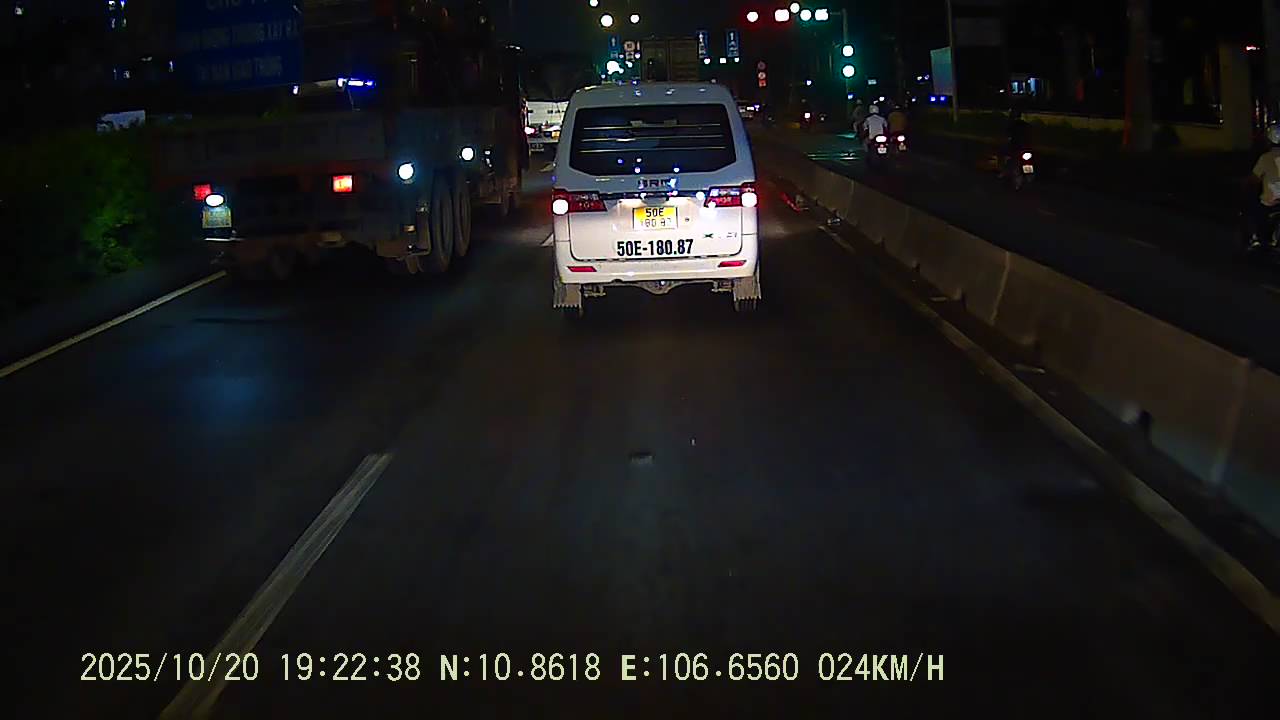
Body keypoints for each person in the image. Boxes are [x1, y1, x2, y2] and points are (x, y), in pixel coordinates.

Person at [1244, 123, 1280, 249]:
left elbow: (1254, 178)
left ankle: (1256, 238)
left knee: (1253, 210)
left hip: (1270, 202)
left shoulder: (1265, 158)